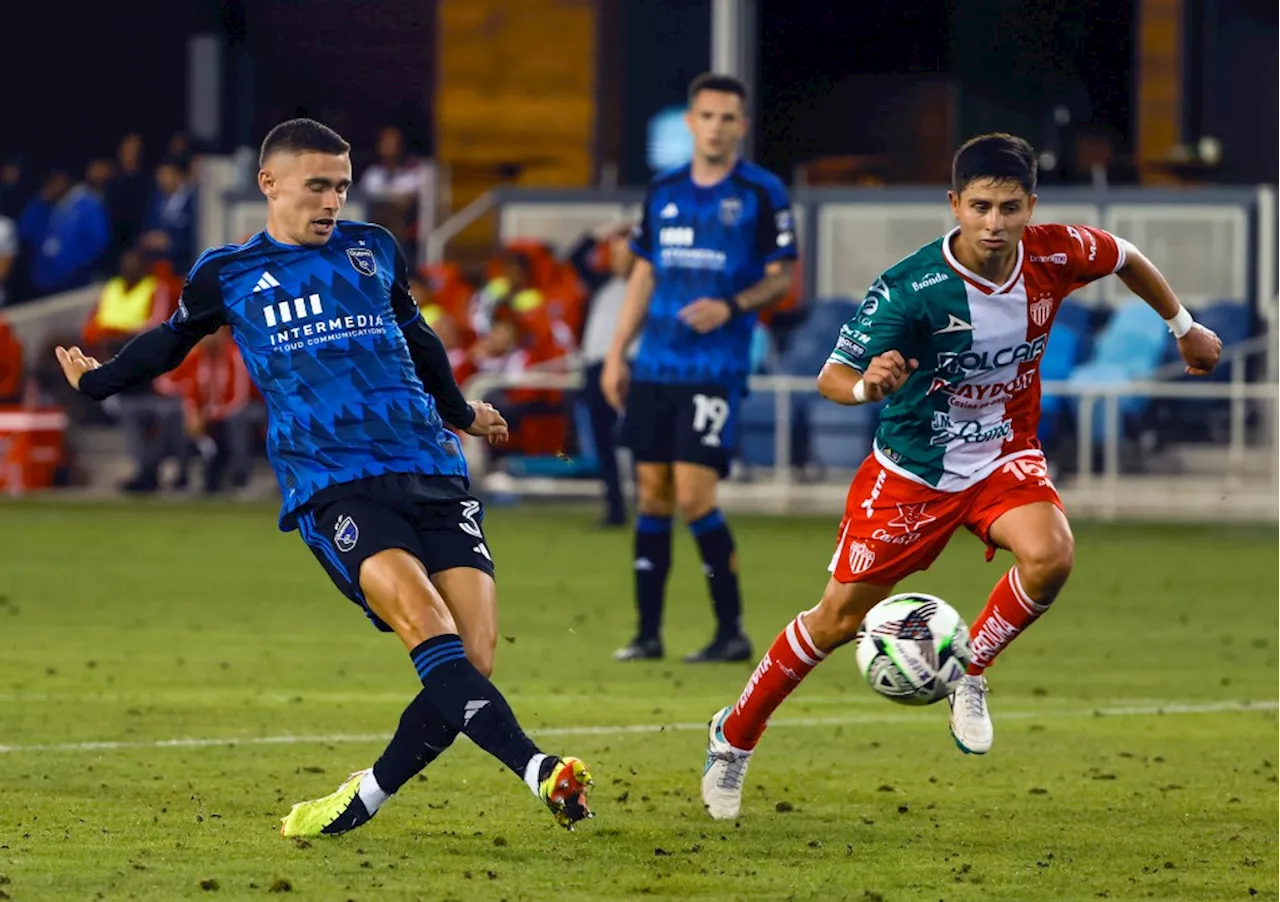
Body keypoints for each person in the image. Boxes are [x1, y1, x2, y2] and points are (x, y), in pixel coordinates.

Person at [53, 117, 593, 836]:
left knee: (474, 659)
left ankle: (361, 797)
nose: (331, 201)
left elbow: (418, 336)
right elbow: (169, 342)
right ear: (269, 185)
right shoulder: (228, 273)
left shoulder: (374, 249)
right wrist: (100, 384)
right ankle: (540, 769)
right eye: (316, 186)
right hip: (334, 480)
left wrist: (460, 412)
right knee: (428, 629)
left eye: (340, 186)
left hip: (429, 466)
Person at [699, 132, 1222, 819]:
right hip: (914, 472)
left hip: (1005, 453)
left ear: (1030, 205)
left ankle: (971, 670)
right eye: (980, 206)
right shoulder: (910, 289)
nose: (995, 223)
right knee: (832, 622)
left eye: (1009, 207)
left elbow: (1125, 256)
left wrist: (1183, 325)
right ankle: (733, 738)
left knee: (1051, 555)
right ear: (955, 204)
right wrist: (867, 388)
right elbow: (831, 377)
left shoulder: (1057, 252)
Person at [601, 73, 797, 664]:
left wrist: (732, 305)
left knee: (693, 493)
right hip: (655, 364)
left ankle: (731, 631)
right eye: (706, 116)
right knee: (652, 494)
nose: (716, 126)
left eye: (727, 117)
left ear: (741, 125)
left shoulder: (762, 193)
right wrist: (616, 353)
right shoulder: (662, 192)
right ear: (691, 122)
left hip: (714, 366)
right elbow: (643, 272)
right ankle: (647, 634)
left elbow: (782, 276)